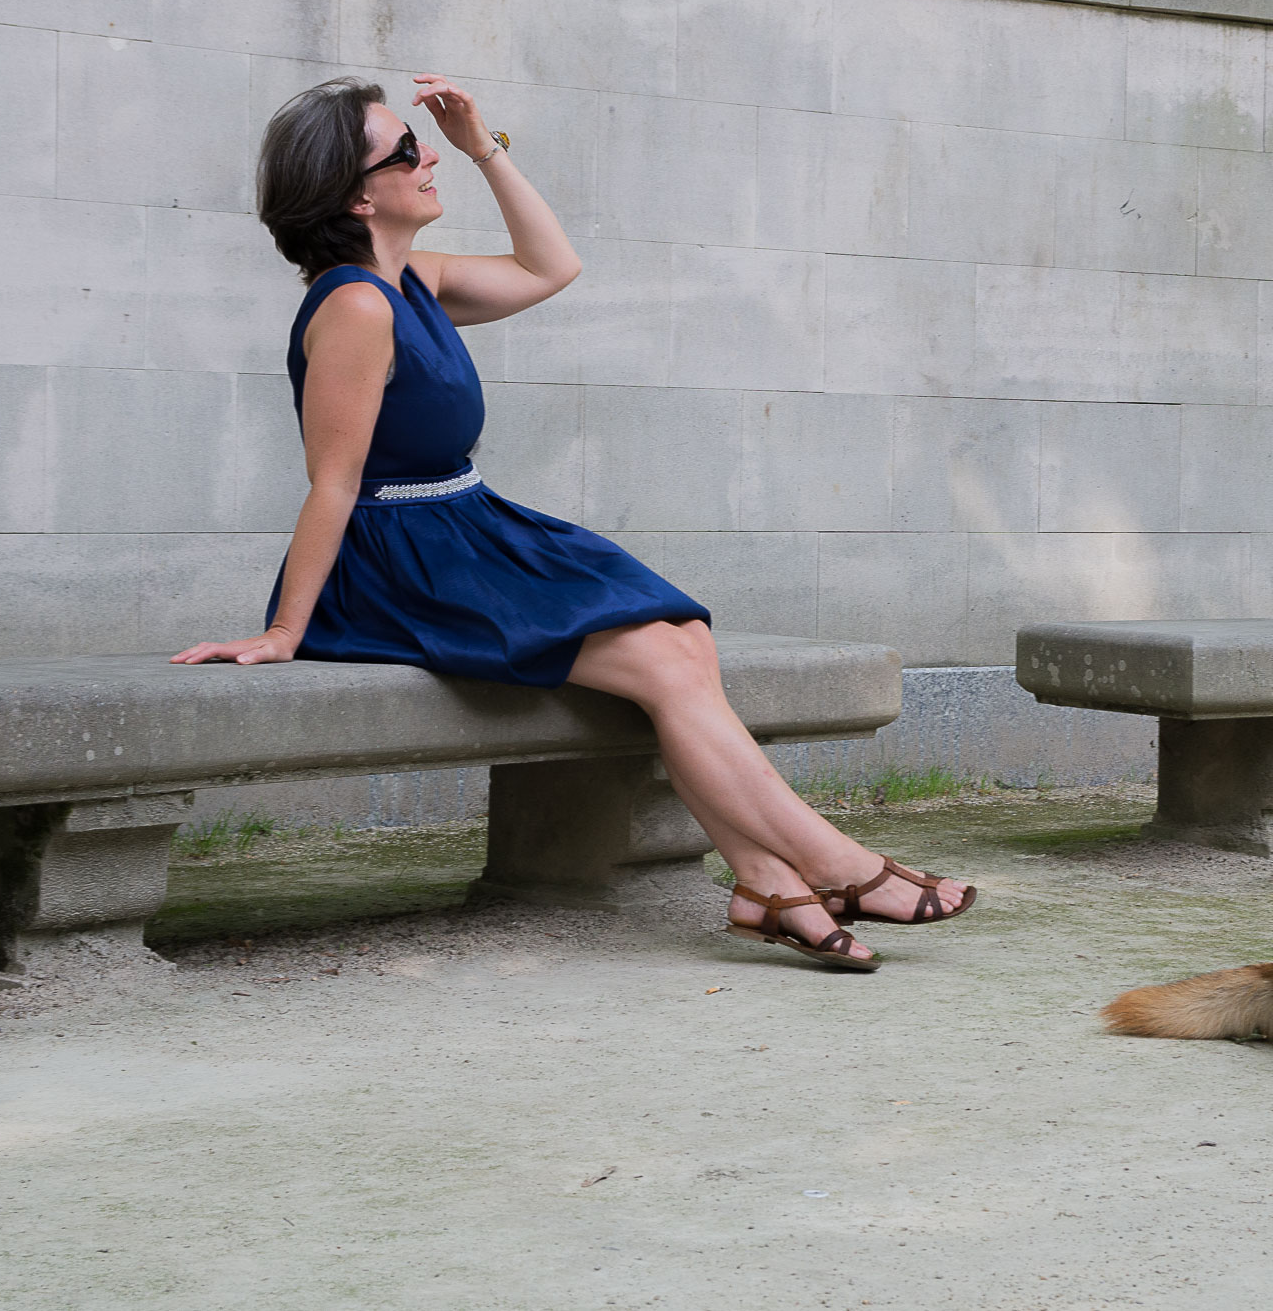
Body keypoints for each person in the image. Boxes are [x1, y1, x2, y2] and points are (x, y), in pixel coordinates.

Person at [175, 75, 972, 971]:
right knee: (665, 666)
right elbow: (333, 481)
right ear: (359, 195)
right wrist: (287, 630)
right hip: (401, 564)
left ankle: (763, 878)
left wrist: (484, 147)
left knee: (682, 640)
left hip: (468, 529)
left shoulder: (413, 279)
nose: (426, 154)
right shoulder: (356, 305)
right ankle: (837, 864)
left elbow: (551, 267)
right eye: (407, 149)